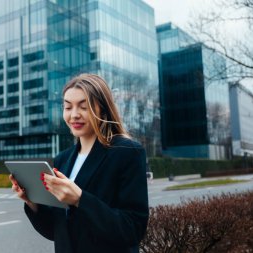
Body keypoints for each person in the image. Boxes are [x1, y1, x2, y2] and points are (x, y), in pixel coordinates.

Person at [10, 73, 149, 253]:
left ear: (103, 109)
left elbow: (132, 229)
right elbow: (57, 231)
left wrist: (80, 199)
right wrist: (32, 202)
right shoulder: (63, 159)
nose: (74, 115)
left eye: (83, 107)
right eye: (68, 107)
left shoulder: (127, 152)